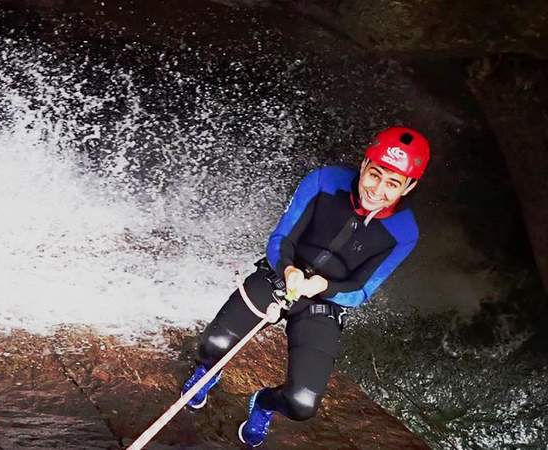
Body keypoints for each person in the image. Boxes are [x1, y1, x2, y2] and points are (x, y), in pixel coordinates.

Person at [180, 126, 430, 447]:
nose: (377, 189)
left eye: (392, 183)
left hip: (324, 302)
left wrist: (323, 286)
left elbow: (361, 289)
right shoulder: (325, 181)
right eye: (374, 174)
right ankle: (211, 370)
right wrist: (289, 270)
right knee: (212, 346)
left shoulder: (403, 233)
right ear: (365, 163)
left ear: (408, 187)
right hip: (279, 277)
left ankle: (264, 403)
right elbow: (281, 239)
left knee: (301, 403)